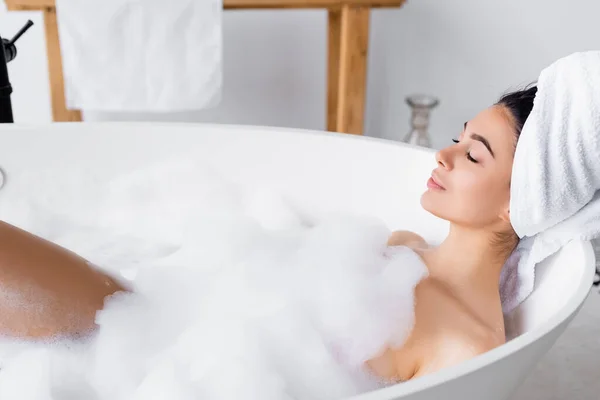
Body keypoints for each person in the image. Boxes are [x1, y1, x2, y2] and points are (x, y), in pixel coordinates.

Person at [0, 86, 537, 382]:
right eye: (454, 137)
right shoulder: (400, 245)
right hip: (150, 326)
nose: (441, 155)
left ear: (520, 202)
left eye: (472, 153)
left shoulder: (468, 349)